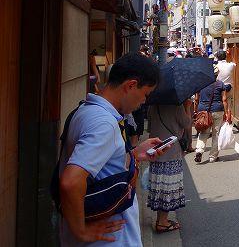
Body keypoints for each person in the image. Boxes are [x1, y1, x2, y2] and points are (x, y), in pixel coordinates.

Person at [58, 53, 166, 245]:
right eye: (145, 94)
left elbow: (100, 168)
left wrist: (134, 154)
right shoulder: (104, 124)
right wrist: (81, 232)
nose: (143, 102)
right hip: (109, 239)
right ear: (130, 85)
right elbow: (71, 181)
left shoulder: (85, 111)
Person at [147, 101, 192, 233]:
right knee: (167, 187)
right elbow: (187, 124)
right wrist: (187, 107)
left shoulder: (153, 105)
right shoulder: (177, 106)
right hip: (171, 152)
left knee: (159, 186)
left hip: (156, 151)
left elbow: (149, 127)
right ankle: (162, 222)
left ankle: (159, 219)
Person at [194, 79, 229, 163]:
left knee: (203, 132)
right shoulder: (220, 84)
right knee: (216, 133)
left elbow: (196, 99)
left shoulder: (200, 83)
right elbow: (224, 100)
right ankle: (213, 157)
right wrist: (226, 113)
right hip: (217, 110)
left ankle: (199, 150)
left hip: (203, 111)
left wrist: (195, 110)